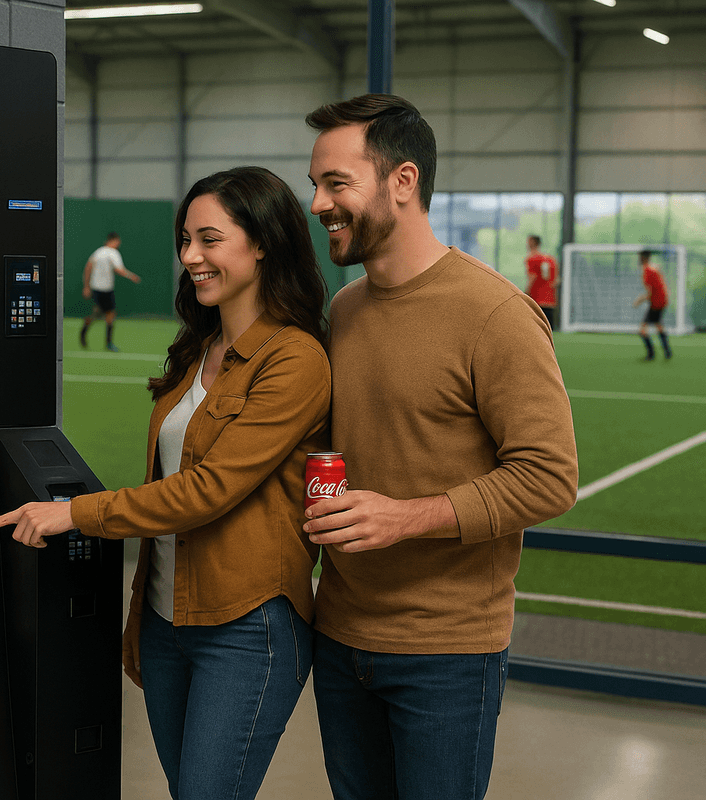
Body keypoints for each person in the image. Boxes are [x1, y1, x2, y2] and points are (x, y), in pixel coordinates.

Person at [0, 166, 332, 800]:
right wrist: (143, 615)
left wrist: (75, 513)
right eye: (186, 240)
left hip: (248, 626)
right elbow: (168, 476)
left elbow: (208, 490)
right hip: (167, 622)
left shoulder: (295, 359)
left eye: (210, 239)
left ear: (264, 243)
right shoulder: (197, 349)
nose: (190, 257)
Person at [301, 94, 579, 800]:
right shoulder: (346, 309)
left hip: (447, 654)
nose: (317, 203)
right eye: (315, 184)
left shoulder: (496, 315)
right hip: (338, 639)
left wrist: (407, 515)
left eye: (336, 184)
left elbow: (549, 478)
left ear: (403, 182)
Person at [80, 231, 142, 352]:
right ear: (113, 241)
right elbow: (119, 270)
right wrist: (132, 276)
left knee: (100, 313)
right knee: (109, 314)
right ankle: (108, 343)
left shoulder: (98, 252)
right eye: (118, 241)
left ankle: (85, 331)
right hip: (104, 289)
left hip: (98, 288)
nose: (118, 244)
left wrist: (86, 286)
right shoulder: (113, 253)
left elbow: (88, 267)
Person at [633, 249, 672, 360]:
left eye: (640, 257)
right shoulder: (653, 268)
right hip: (662, 300)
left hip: (656, 302)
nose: (639, 259)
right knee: (658, 324)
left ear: (643, 258)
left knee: (642, 330)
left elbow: (650, 293)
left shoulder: (647, 271)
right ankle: (667, 351)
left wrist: (639, 300)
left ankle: (651, 355)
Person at [524, 234, 559, 330]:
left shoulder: (531, 258)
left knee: (537, 330)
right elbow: (555, 281)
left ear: (532, 242)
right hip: (550, 300)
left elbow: (532, 277)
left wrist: (526, 293)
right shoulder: (551, 259)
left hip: (537, 299)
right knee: (550, 331)